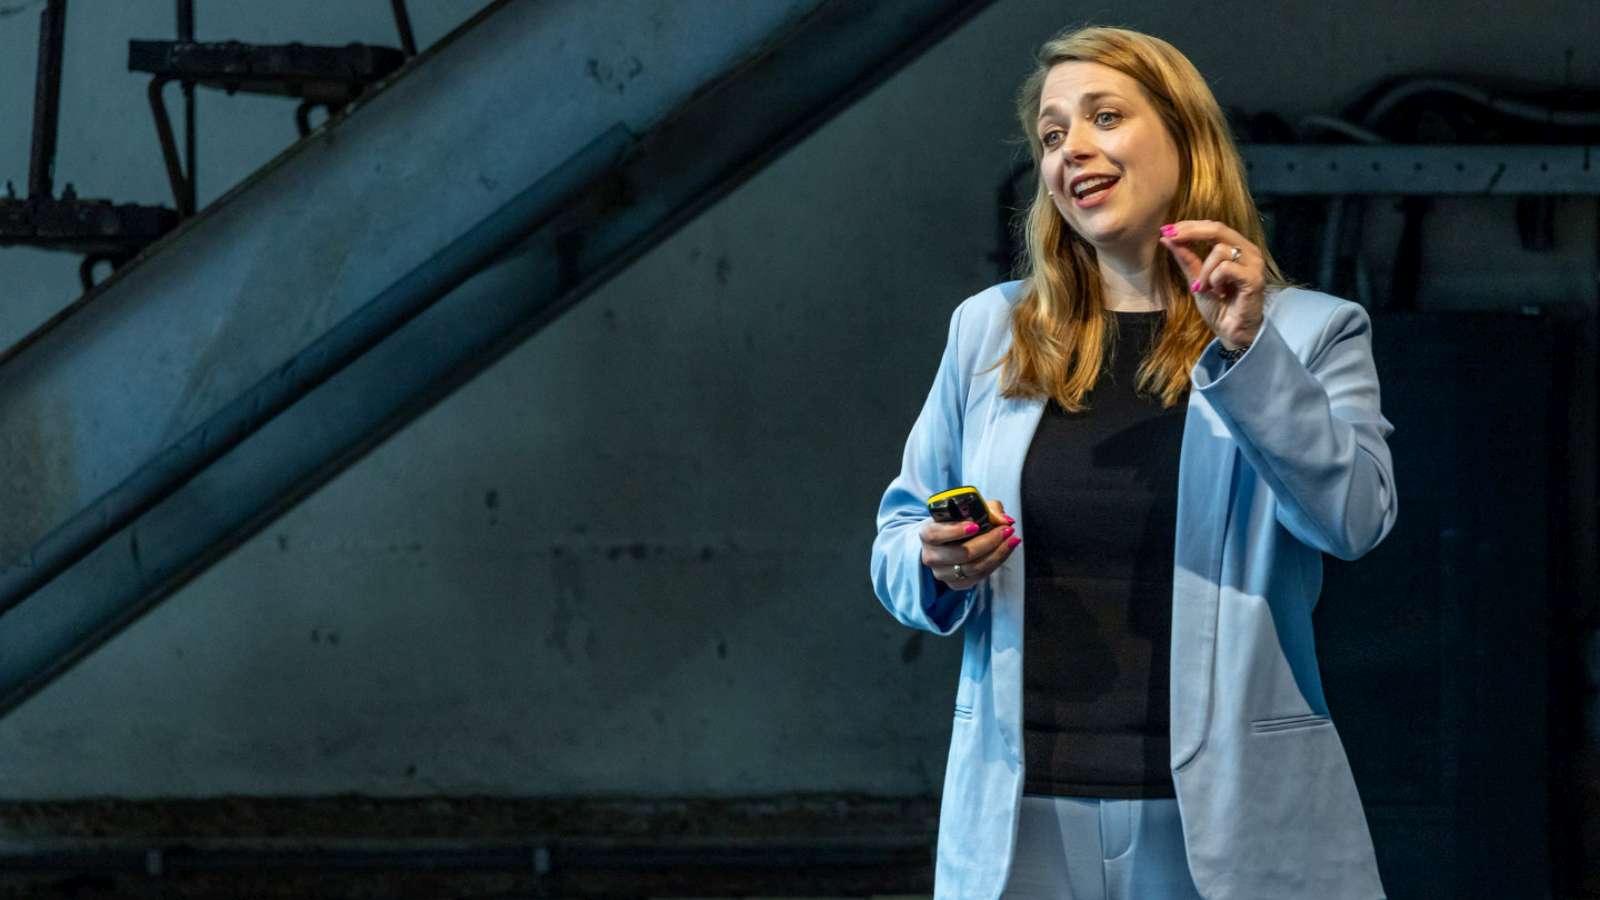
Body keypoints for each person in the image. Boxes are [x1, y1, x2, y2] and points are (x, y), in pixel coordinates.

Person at [869, 24, 1397, 900]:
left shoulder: (1309, 331)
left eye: (1104, 117)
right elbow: (895, 538)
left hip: (1227, 823)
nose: (1072, 147)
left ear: (1186, 139)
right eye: (1051, 134)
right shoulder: (989, 331)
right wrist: (933, 561)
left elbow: (1353, 521)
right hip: (1023, 820)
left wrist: (1251, 352)